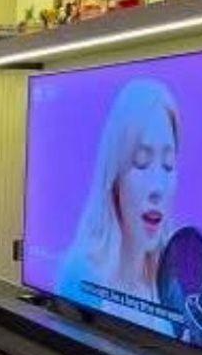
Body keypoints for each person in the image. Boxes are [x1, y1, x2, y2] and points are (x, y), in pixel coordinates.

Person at [57, 77, 179, 325]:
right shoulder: (81, 275)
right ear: (114, 176)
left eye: (168, 165)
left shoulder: (173, 292)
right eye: (141, 163)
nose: (158, 188)